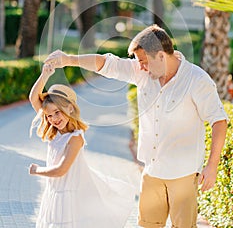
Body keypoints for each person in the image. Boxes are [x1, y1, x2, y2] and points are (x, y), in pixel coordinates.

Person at [45, 24, 228, 228]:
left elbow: (219, 121)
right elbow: (106, 63)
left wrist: (212, 166)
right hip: (152, 171)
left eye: (142, 61)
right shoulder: (143, 72)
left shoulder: (197, 79)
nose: (139, 66)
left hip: (183, 173)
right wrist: (69, 59)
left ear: (160, 56)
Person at [29, 63, 135, 228]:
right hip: (53, 193)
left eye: (58, 112)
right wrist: (44, 75)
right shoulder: (55, 132)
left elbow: (61, 170)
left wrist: (37, 170)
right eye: (49, 115)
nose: (54, 119)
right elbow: (33, 98)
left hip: (69, 196)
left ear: (70, 108)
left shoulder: (75, 138)